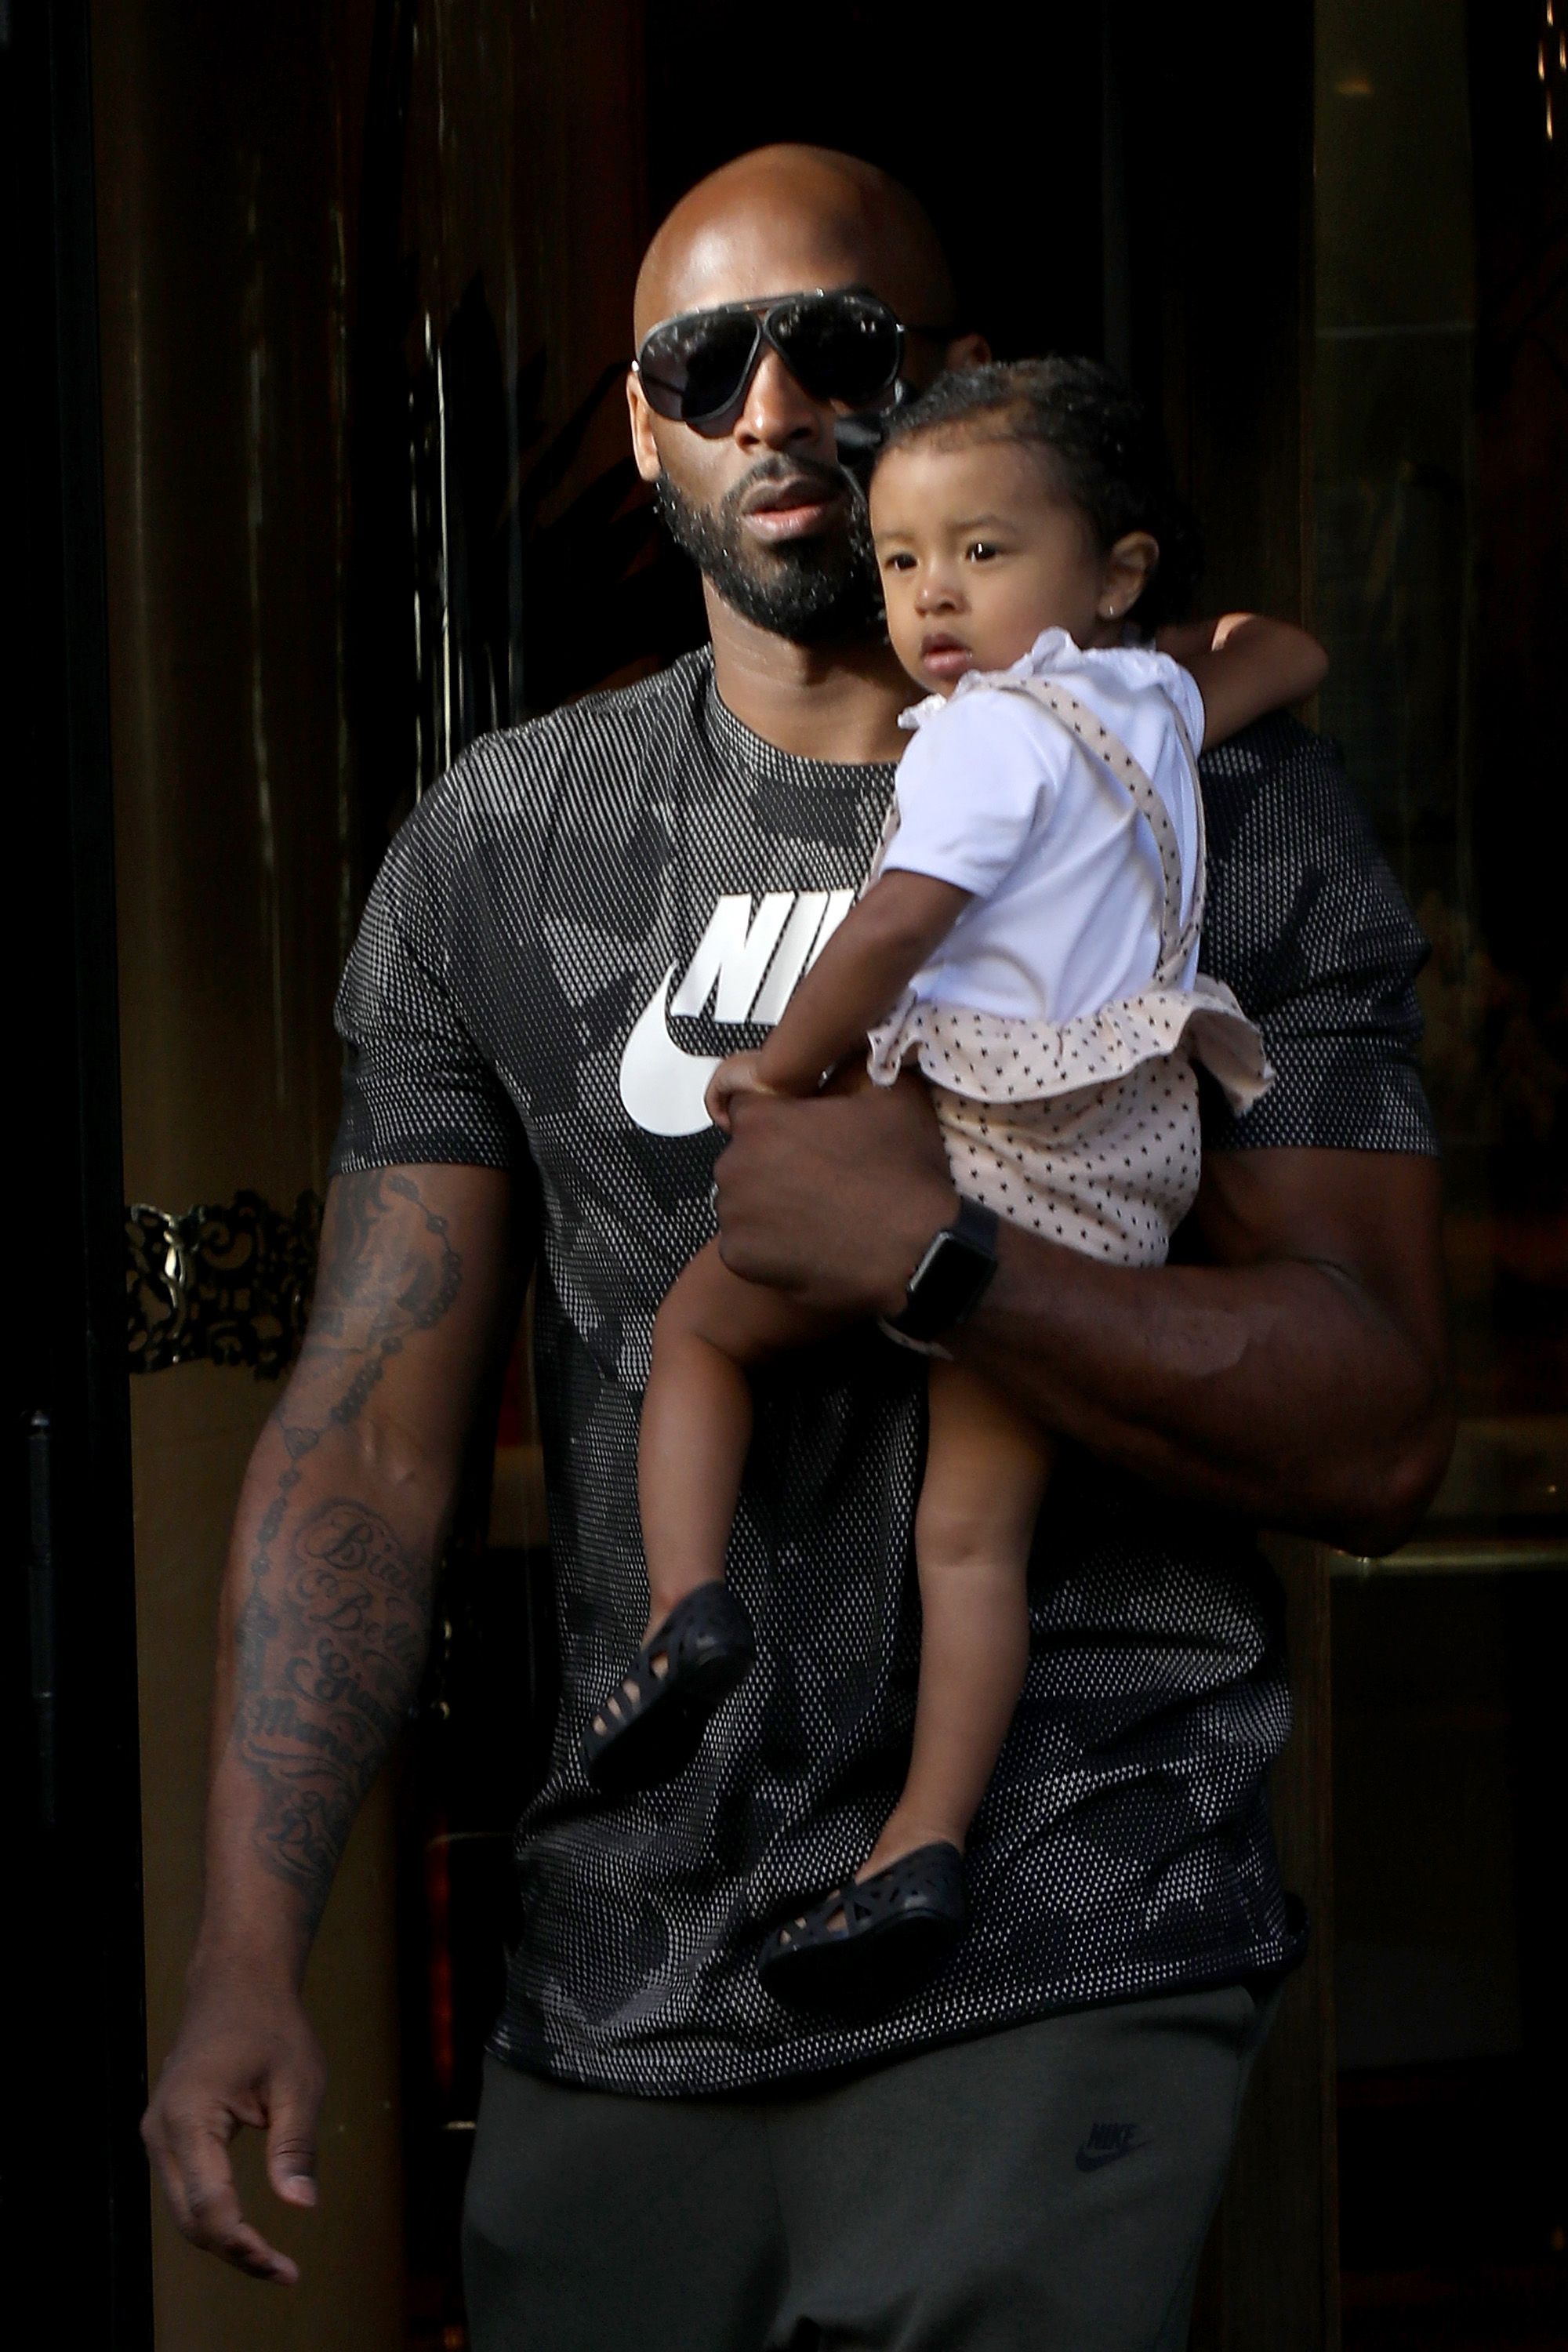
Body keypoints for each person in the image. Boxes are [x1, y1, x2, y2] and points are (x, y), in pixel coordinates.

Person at [142, 146, 1453, 2351]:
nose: (772, 406)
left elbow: (1386, 1426)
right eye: (700, 363)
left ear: (947, 379)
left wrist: (950, 1263)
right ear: (645, 425)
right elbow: (370, 1433)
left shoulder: (1202, 807)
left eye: (834, 347)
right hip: (627, 2004)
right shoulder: (496, 848)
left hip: (1060, 1942)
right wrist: (247, 1954)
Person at [585, 356, 1327, 2014]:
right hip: (1125, 1152)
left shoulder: (982, 740)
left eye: (982, 554)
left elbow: (898, 925)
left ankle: (687, 1609)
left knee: (703, 1332)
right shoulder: (1141, 697)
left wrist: (777, 1072)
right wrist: (1197, 649)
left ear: (1113, 566)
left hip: (980, 1121)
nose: (930, 598)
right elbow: (1287, 651)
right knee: (972, 1536)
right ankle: (920, 1843)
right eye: (905, 558)